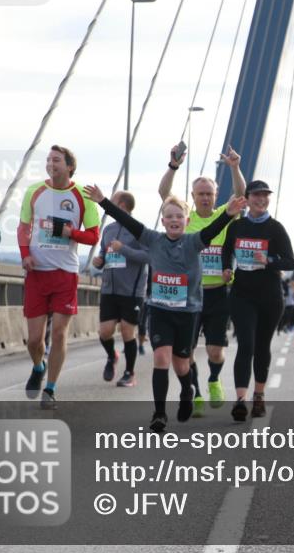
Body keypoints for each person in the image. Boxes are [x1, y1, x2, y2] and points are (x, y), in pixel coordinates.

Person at [85, 184, 242, 432]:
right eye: (169, 217)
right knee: (161, 357)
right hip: (160, 311)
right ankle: (159, 414)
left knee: (181, 365)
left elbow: (214, 229)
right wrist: (103, 201)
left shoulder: (194, 242)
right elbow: (126, 219)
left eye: (179, 217)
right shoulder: (152, 239)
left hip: (187, 313)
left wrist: (229, 214)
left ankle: (187, 391)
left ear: (186, 220)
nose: (174, 221)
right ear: (163, 220)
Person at [159, 144, 246, 415]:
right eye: (201, 194)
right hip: (190, 295)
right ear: (193, 197)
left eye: (209, 194)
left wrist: (234, 167)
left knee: (215, 351)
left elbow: (241, 194)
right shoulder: (187, 219)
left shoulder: (225, 216)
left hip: (219, 293)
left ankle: (213, 379)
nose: (206, 198)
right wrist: (173, 166)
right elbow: (164, 194)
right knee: (187, 351)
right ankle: (195, 391)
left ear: (216, 195)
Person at [18, 146, 101, 409]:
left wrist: (70, 233)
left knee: (59, 333)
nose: (51, 163)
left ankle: (50, 390)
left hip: (65, 272)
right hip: (37, 273)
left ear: (69, 167)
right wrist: (24, 255)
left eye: (57, 160)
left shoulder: (82, 197)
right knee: (34, 340)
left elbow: (93, 236)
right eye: (48, 160)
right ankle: (38, 365)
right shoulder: (34, 191)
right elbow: (23, 227)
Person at [220, 180, 294, 421]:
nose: (261, 200)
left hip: (270, 297)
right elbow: (225, 250)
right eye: (257, 195)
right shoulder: (237, 226)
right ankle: (240, 400)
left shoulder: (276, 228)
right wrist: (226, 268)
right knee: (246, 345)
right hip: (242, 294)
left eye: (265, 196)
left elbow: (290, 262)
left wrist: (269, 260)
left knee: (262, 347)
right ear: (247, 198)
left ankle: (259, 396)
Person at [91, 190, 149, 388]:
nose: (108, 205)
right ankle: (112, 356)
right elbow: (104, 253)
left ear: (122, 205)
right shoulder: (107, 230)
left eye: (112, 202)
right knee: (105, 332)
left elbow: (148, 257)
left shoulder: (138, 229)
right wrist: (98, 261)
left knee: (127, 331)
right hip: (109, 289)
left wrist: (123, 248)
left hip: (131, 291)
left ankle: (129, 373)